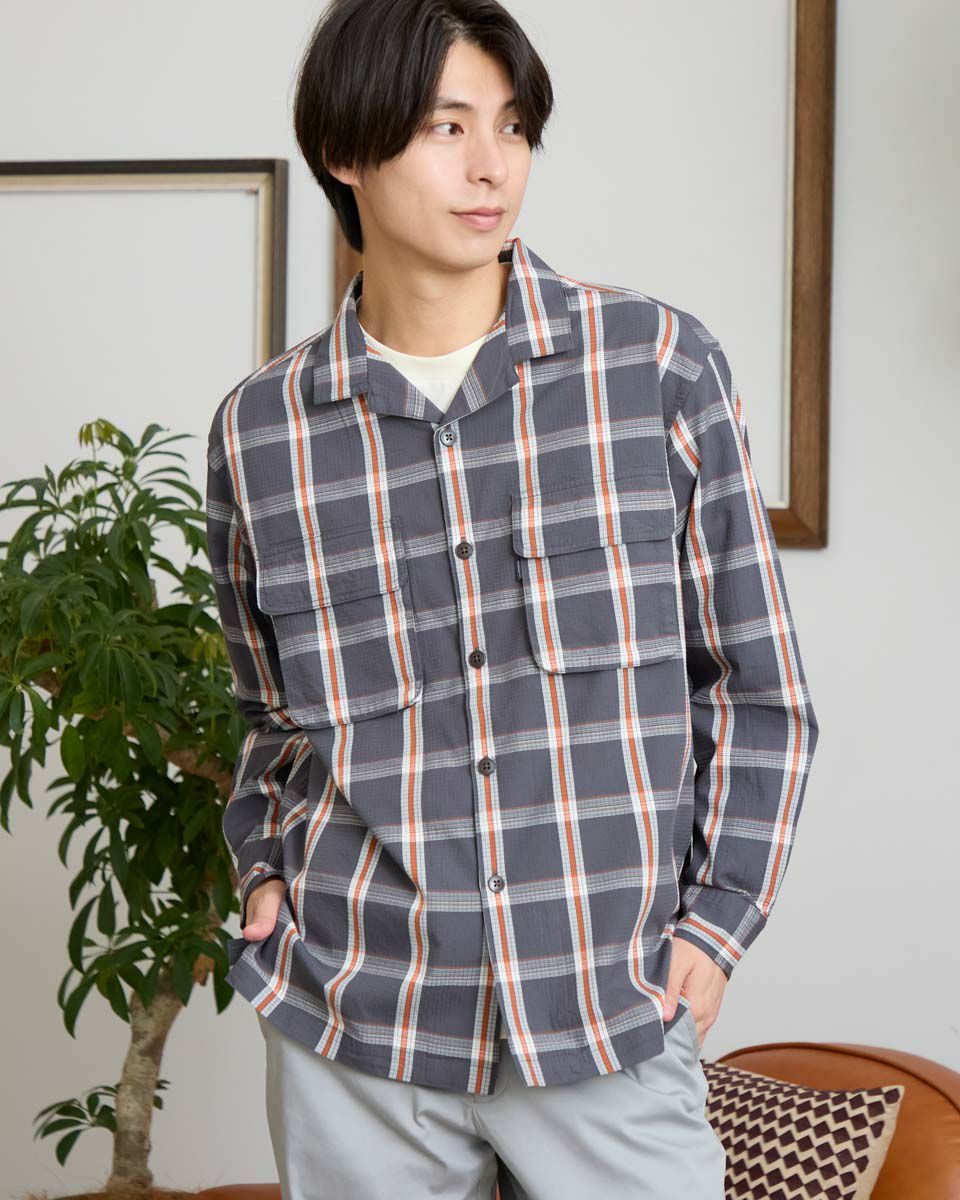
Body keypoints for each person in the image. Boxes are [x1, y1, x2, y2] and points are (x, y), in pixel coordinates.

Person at [204, 1, 820, 1196]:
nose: (493, 166)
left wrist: (717, 924)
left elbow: (757, 689)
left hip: (602, 1012)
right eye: (447, 126)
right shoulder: (261, 431)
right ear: (344, 150)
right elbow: (270, 714)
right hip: (358, 1022)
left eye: (514, 126)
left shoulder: (654, 367)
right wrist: (266, 870)